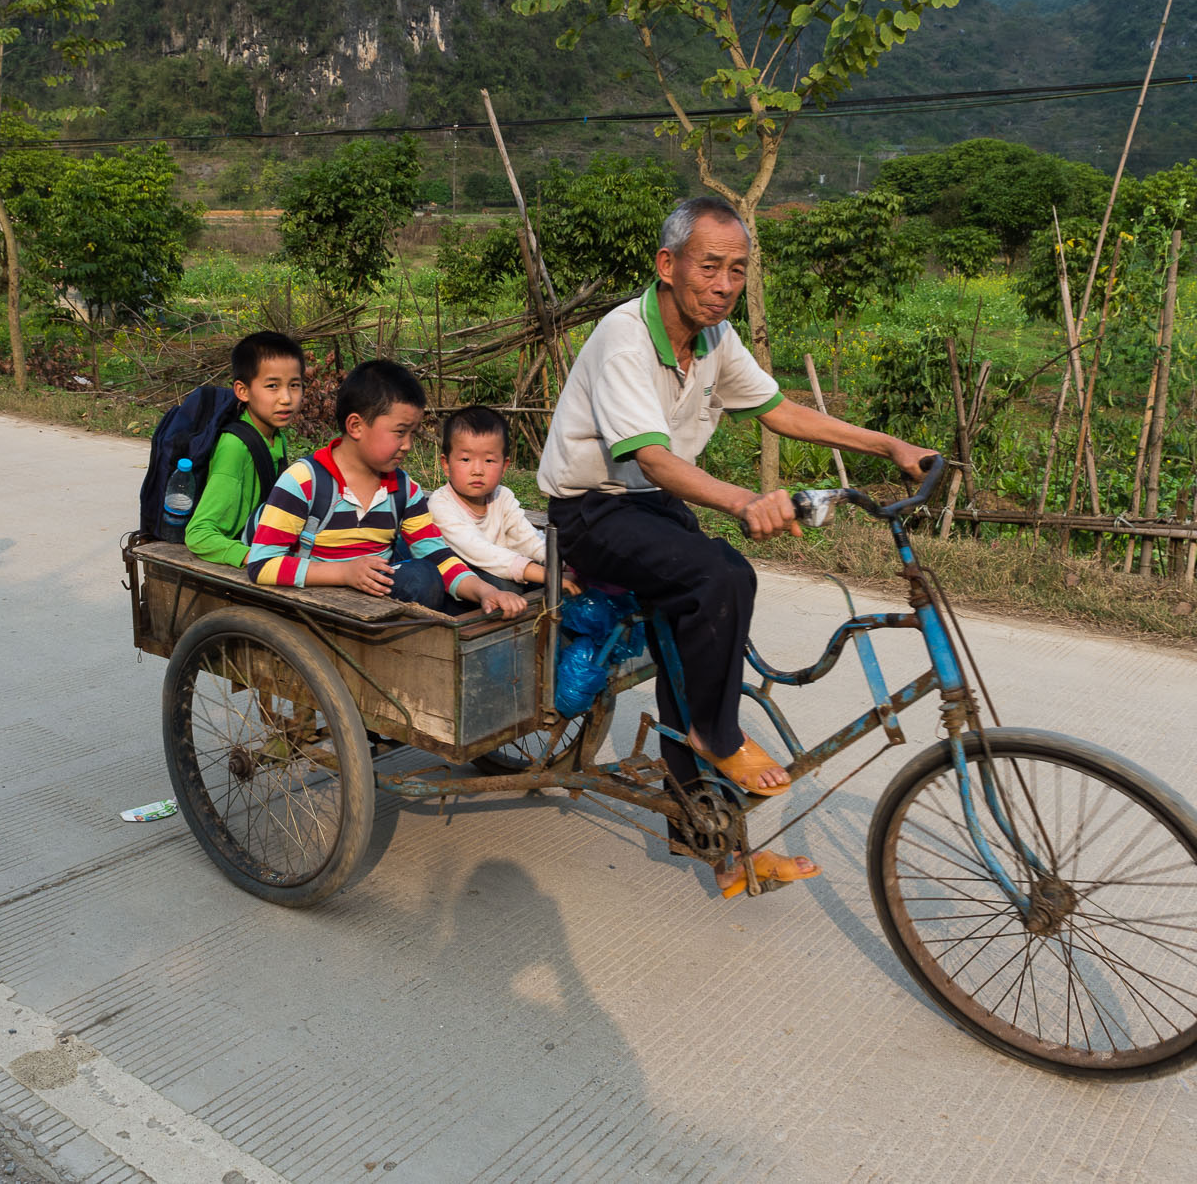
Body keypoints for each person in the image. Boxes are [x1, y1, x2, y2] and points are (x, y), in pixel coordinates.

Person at [537, 196, 929, 897]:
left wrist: (888, 445)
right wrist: (745, 500)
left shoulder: (716, 338)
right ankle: (716, 736)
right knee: (721, 577)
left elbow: (779, 409)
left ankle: (714, 840)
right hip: (591, 509)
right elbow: (653, 458)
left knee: (695, 642)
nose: (724, 285)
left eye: (738, 270)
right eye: (710, 266)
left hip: (649, 505)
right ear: (668, 265)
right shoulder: (625, 337)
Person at [248, 360, 526, 618]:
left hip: (375, 594)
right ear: (356, 426)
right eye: (400, 432)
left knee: (490, 584)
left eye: (412, 433)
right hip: (319, 600)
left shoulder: (405, 490)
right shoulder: (304, 482)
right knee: (422, 578)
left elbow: (437, 556)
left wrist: (486, 592)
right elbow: (262, 564)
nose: (408, 445)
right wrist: (344, 573)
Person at [427, 404, 577, 595]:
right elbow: (480, 552)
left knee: (536, 578)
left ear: (504, 466)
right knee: (508, 586)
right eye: (466, 459)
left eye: (489, 461)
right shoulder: (441, 505)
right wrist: (550, 576)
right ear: (446, 464)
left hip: (505, 566)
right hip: (466, 584)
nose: (478, 470)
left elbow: (528, 539)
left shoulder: (502, 496)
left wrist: (565, 565)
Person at [185, 331, 305, 568]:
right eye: (272, 386)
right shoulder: (235, 447)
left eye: (294, 385)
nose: (286, 398)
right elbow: (198, 533)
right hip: (242, 552)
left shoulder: (275, 437)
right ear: (243, 391)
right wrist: (254, 557)